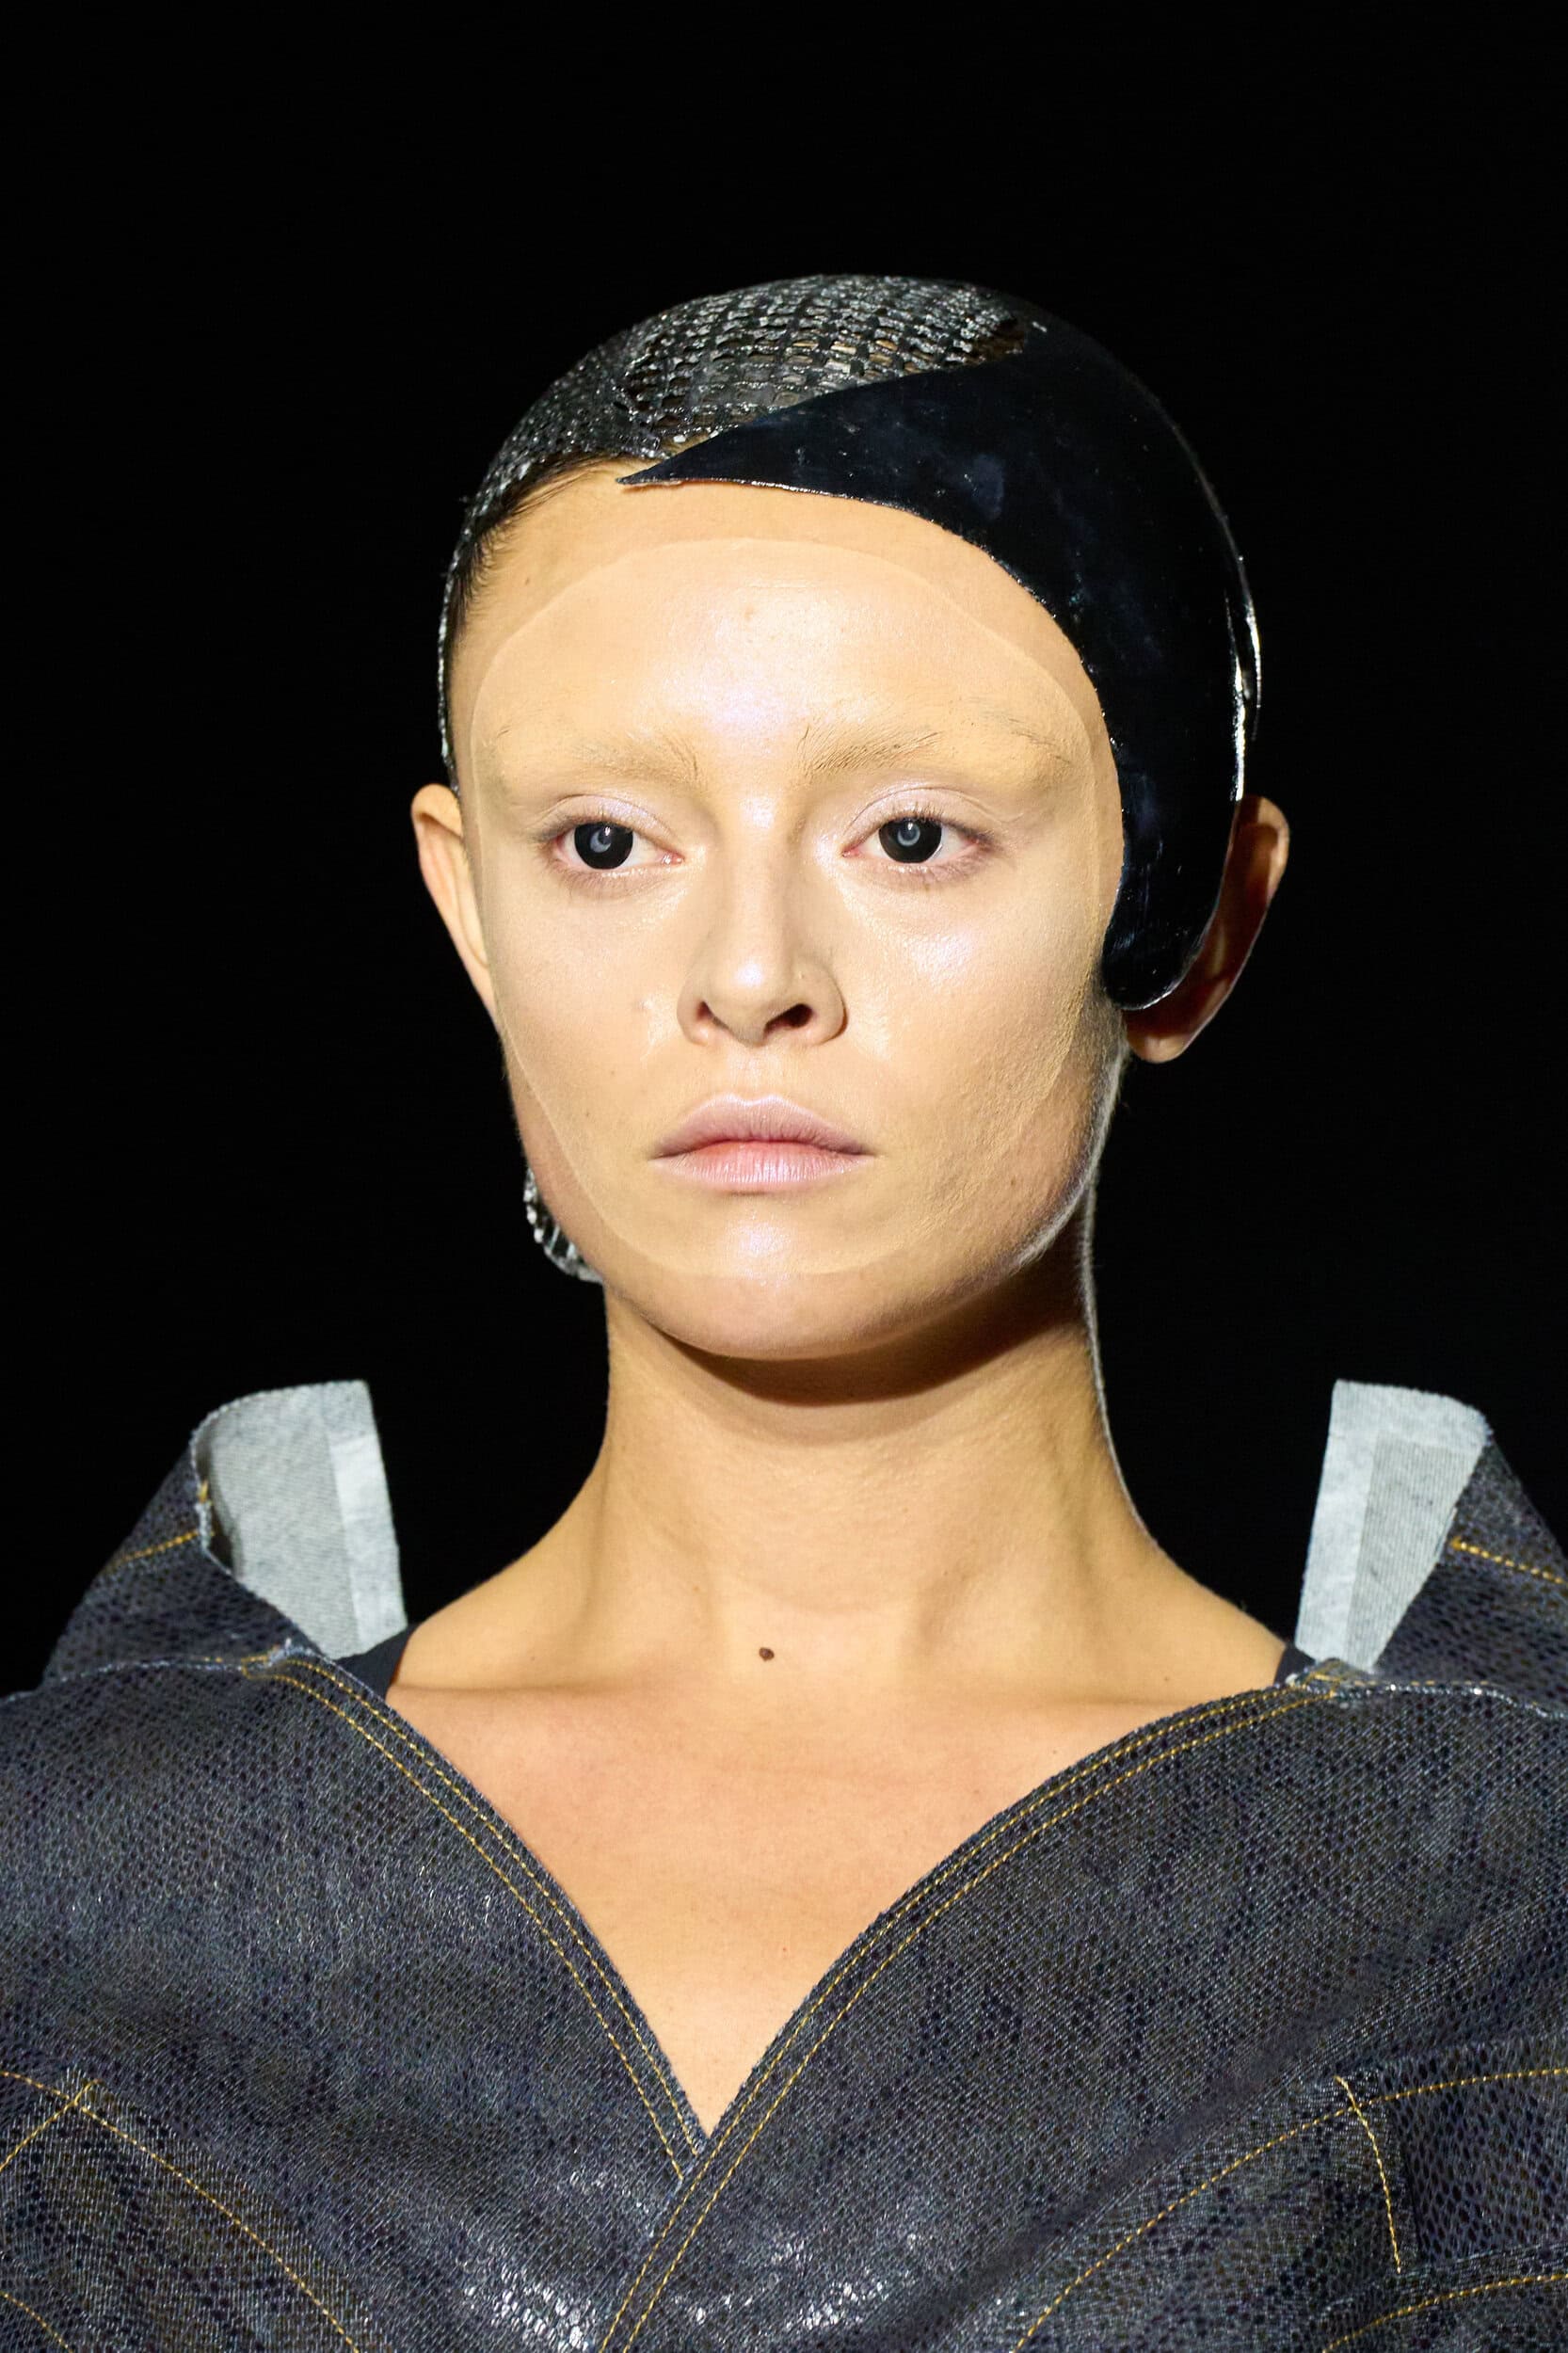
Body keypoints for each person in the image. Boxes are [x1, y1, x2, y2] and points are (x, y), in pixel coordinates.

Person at [4, 276, 1562, 2351]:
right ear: (471, 913)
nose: (748, 973)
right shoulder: (71, 1887)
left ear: (1194, 916)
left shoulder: (1498, 1904)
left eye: (911, 835)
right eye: (606, 842)